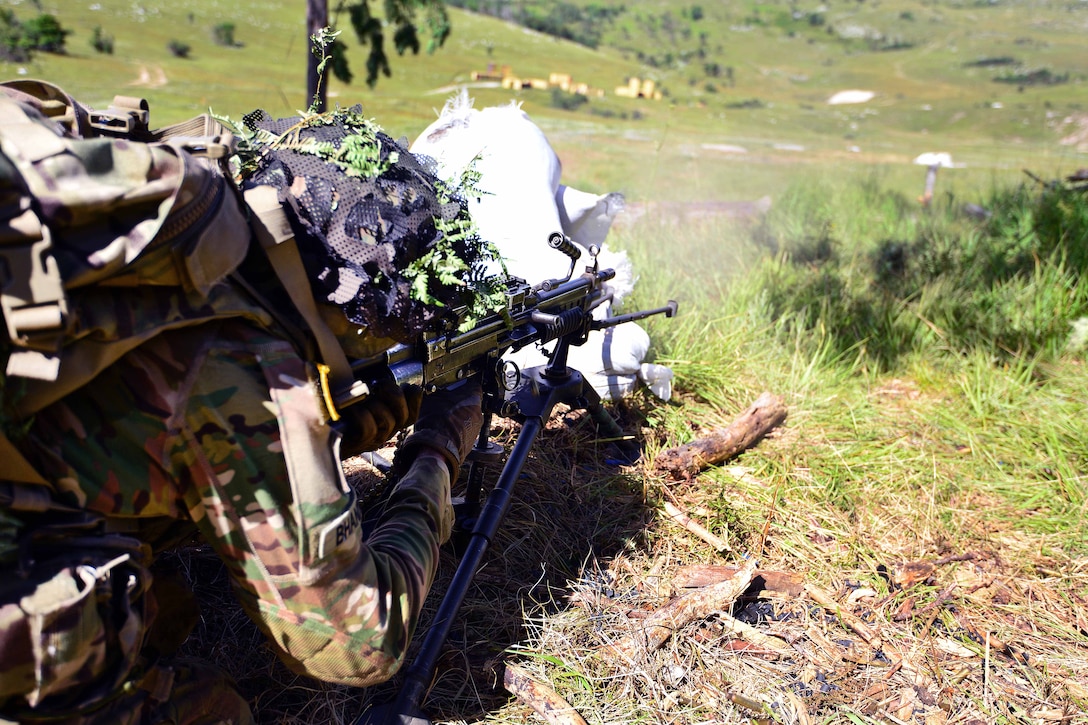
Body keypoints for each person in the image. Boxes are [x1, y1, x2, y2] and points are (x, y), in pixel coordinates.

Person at [0, 84, 488, 723]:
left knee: (162, 606)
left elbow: (181, 428)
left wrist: (351, 421)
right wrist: (436, 452)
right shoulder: (244, 368)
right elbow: (357, 644)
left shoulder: (165, 251)